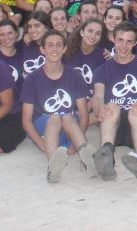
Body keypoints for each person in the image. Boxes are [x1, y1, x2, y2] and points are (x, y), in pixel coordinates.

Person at [20, 29, 96, 183]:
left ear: (64, 49)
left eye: (58, 45)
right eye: (50, 45)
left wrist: (77, 141)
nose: (54, 49)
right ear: (42, 49)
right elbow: (26, 120)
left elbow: (83, 113)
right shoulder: (32, 79)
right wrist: (40, 143)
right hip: (44, 127)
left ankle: (87, 157)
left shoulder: (74, 75)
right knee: (55, 118)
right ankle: (52, 166)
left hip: (69, 126)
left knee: (67, 116)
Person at [91, 22, 137, 180]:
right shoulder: (102, 70)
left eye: (129, 41)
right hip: (115, 125)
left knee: (135, 111)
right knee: (111, 107)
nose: (124, 45)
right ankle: (107, 156)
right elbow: (98, 96)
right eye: (120, 40)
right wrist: (100, 109)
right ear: (113, 39)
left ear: (135, 43)